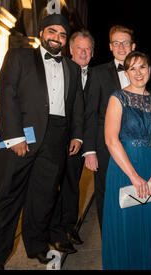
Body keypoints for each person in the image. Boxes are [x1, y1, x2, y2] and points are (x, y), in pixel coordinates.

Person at [0, 14, 84, 270]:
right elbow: (7, 94)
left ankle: (37, 246)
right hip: (22, 135)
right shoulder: (19, 56)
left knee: (44, 198)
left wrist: (76, 134)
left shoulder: (72, 67)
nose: (57, 38)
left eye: (62, 35)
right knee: (8, 197)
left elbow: (76, 105)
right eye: (53, 32)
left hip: (56, 138)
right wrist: (14, 136)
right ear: (42, 33)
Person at [101, 51, 151, 269]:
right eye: (133, 68)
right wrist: (134, 176)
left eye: (143, 67)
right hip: (125, 169)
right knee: (128, 225)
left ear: (150, 70)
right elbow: (111, 141)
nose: (138, 72)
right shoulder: (117, 98)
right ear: (126, 72)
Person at [83, 25, 135, 230]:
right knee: (106, 193)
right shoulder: (97, 73)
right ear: (110, 47)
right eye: (117, 43)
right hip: (105, 146)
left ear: (133, 46)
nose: (121, 47)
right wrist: (90, 150)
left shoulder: (141, 72)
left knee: (131, 191)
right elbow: (90, 113)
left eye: (125, 42)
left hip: (134, 145)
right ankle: (110, 243)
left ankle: (128, 236)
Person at [49, 29, 95, 251]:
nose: (83, 52)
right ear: (71, 49)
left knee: (72, 185)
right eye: (79, 48)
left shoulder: (96, 76)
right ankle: (55, 231)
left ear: (93, 53)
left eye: (87, 49)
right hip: (56, 139)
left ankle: (68, 226)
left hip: (80, 141)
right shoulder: (58, 69)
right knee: (53, 186)